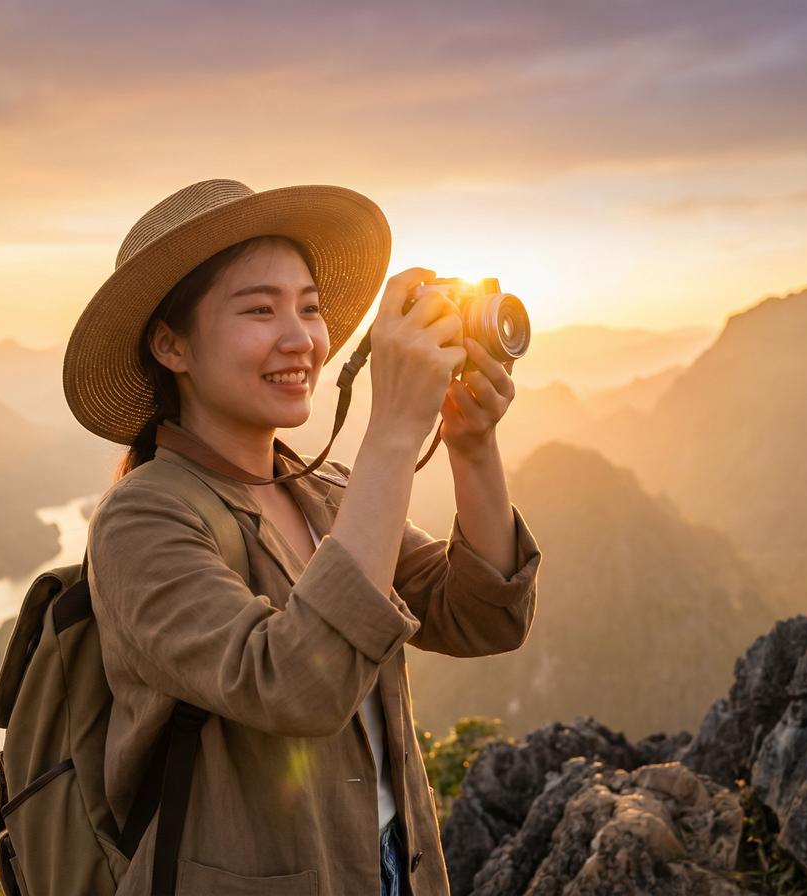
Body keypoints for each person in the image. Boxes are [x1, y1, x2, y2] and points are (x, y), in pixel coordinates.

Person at [63, 179, 542, 896]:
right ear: (171, 345)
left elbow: (481, 617)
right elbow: (294, 686)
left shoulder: (323, 492)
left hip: (390, 864)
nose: (303, 340)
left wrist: (472, 447)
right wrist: (394, 430)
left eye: (310, 309)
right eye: (260, 310)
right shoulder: (143, 520)